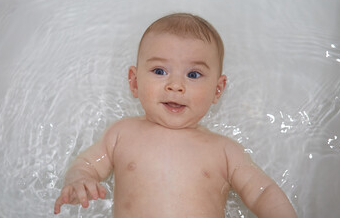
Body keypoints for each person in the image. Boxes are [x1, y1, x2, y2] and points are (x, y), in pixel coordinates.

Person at [54, 13, 297, 218]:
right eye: (159, 71)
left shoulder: (225, 151)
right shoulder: (121, 134)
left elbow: (263, 191)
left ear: (218, 89)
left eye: (193, 75)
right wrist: (78, 180)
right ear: (134, 81)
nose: (175, 85)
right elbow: (86, 165)